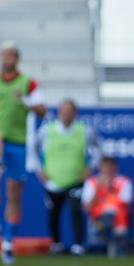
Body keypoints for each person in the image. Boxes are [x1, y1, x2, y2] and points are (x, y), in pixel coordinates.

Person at [0, 41, 46, 265]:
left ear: (16, 59)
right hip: (0, 140)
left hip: (17, 144)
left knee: (14, 192)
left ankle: (8, 243)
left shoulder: (28, 83)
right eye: (3, 55)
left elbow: (42, 110)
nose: (6, 60)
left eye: (10, 56)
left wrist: (25, 101)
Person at [34, 99, 100, 256]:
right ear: (59, 113)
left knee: (76, 211)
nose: (66, 115)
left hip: (75, 179)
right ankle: (56, 244)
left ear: (75, 113)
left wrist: (90, 168)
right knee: (54, 213)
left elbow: (98, 150)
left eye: (69, 111)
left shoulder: (85, 130)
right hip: (52, 181)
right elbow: (33, 150)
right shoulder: (46, 130)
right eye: (63, 111)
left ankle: (78, 245)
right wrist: (39, 170)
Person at [82, 157, 132, 257]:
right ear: (100, 168)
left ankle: (117, 246)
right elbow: (86, 208)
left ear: (115, 167)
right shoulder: (92, 182)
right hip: (98, 220)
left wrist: (111, 189)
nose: (108, 170)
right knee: (106, 218)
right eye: (105, 167)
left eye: (110, 167)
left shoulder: (124, 182)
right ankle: (103, 238)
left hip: (118, 220)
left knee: (112, 215)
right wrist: (98, 189)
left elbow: (127, 204)